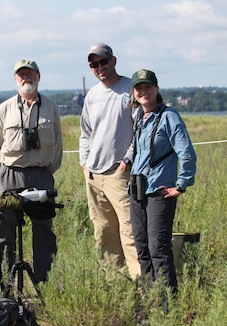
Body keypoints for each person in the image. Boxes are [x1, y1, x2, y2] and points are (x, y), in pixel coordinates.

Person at [0, 59, 63, 284]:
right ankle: (5, 284)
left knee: (44, 232)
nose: (26, 78)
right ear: (15, 79)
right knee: (5, 230)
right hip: (11, 175)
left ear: (39, 76)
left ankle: (43, 284)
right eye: (21, 75)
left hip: (41, 175)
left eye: (30, 74)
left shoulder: (51, 107)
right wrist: (4, 172)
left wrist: (45, 171)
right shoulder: (5, 108)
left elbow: (58, 145)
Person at [129, 69, 196, 294]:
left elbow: (186, 151)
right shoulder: (140, 117)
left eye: (148, 87)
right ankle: (150, 303)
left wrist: (182, 184)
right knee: (142, 249)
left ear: (157, 89)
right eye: (139, 88)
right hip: (138, 192)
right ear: (134, 93)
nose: (143, 92)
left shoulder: (169, 116)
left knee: (159, 248)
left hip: (159, 192)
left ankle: (168, 307)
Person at [79, 43, 140, 279]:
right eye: (94, 64)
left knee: (129, 228)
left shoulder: (130, 89)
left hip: (119, 173)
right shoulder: (92, 96)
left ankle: (140, 282)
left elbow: (139, 128)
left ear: (113, 60)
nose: (99, 67)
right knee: (103, 231)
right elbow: (85, 132)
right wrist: (85, 163)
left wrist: (128, 159)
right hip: (93, 174)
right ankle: (113, 283)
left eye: (103, 62)